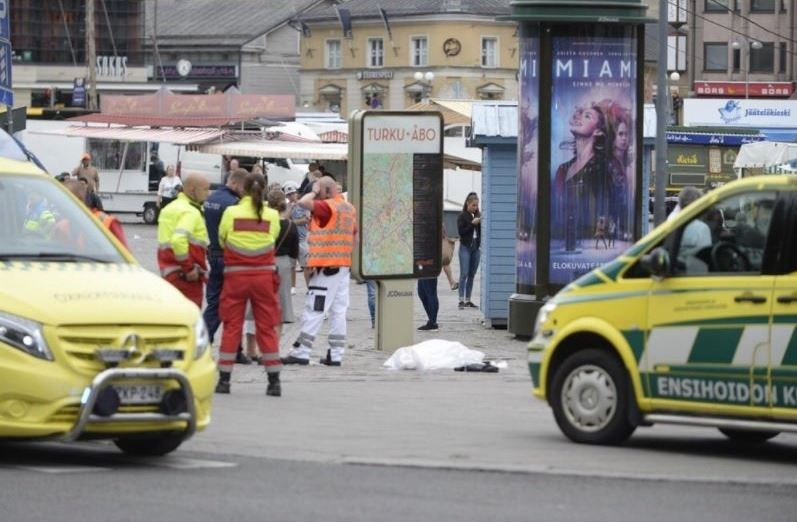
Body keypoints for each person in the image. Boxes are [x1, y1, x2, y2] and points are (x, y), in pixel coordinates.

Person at [215, 172, 282, 396]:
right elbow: (273, 238)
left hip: (236, 277)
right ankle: (274, 382)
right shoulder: (272, 215)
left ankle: (224, 380)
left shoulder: (231, 212)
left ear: (242, 189)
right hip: (264, 278)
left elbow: (222, 239)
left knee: (232, 326)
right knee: (266, 327)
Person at [283, 176, 357, 367]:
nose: (316, 196)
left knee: (314, 309)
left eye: (318, 191)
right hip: (342, 266)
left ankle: (301, 351)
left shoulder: (327, 206)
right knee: (338, 312)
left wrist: (315, 190)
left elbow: (302, 202)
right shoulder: (349, 208)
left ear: (326, 190)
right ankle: (336, 354)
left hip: (327, 268)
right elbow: (355, 236)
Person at [202, 168, 248, 361]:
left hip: (213, 255)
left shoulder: (210, 199)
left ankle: (203, 342)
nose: (245, 192)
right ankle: (232, 349)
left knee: (213, 302)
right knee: (233, 305)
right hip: (229, 257)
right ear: (235, 183)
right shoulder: (233, 204)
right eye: (244, 188)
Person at [553, 104, 610, 250]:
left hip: (588, 242)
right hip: (561, 239)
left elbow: (605, 203)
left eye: (587, 116)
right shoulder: (562, 169)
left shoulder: (601, 168)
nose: (579, 118)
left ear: (597, 131)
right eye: (580, 114)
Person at [156, 174, 210, 308]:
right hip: (186, 277)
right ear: (192, 190)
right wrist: (189, 268)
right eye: (205, 189)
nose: (208, 193)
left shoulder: (169, 208)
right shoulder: (191, 212)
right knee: (191, 316)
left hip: (169, 273)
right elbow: (178, 240)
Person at [268, 188, 299, 326]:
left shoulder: (266, 222)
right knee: (284, 290)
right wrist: (292, 261)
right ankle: (286, 315)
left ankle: (268, 313)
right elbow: (294, 247)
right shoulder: (290, 225)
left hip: (267, 259)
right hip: (284, 260)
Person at [457, 193, 481, 310]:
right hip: (465, 247)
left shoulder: (479, 216)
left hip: (476, 248)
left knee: (472, 274)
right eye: (473, 205)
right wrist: (472, 224)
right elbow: (461, 232)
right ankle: (461, 300)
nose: (475, 207)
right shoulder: (462, 216)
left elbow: (481, 232)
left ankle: (468, 300)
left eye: (476, 205)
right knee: (464, 273)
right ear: (467, 203)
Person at [284, 181, 305, 293]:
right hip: (291, 239)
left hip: (303, 238)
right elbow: (285, 219)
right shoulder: (287, 206)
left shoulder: (303, 204)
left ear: (297, 193)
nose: (291, 196)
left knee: (306, 265)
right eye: (289, 194)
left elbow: (306, 219)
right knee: (291, 265)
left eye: (293, 193)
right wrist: (290, 209)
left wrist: (293, 222)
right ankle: (293, 286)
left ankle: (309, 286)